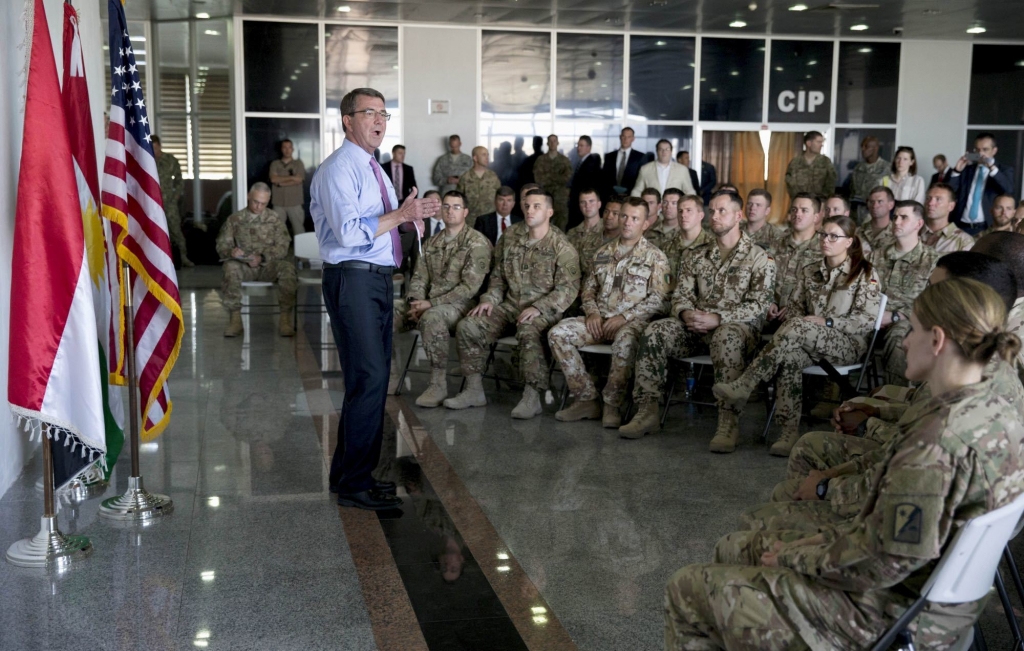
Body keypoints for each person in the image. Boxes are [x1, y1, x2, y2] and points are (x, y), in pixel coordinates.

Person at [666, 278, 1024, 651]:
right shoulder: (988, 401)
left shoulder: (937, 444)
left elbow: (885, 562)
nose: (902, 341)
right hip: (933, 596)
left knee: (686, 589)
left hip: (894, 612)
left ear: (937, 340)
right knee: (735, 549)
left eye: (912, 331)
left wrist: (796, 555)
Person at [310, 87, 440, 511]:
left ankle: (349, 475)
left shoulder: (375, 169)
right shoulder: (338, 170)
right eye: (370, 113)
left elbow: (387, 225)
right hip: (353, 279)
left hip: (378, 280)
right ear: (347, 120)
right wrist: (401, 215)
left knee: (371, 381)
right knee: (368, 380)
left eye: (384, 113)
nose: (380, 120)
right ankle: (355, 486)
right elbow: (349, 232)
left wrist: (413, 216)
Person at [618, 191, 776, 450]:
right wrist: (684, 313)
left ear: (739, 215)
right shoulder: (696, 254)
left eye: (722, 211)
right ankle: (647, 411)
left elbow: (759, 305)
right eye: (712, 211)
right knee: (656, 330)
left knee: (727, 337)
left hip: (736, 331)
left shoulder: (760, 256)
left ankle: (728, 422)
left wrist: (719, 318)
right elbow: (680, 295)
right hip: (695, 328)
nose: (714, 216)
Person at [714, 215, 882, 456]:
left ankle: (746, 384)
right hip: (806, 342)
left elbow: (866, 320)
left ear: (849, 242)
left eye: (834, 236)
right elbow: (794, 309)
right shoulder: (810, 270)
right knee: (790, 357)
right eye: (823, 234)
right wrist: (796, 319)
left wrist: (828, 321)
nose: (826, 240)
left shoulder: (864, 272)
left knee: (799, 328)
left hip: (846, 345)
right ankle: (788, 432)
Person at [444, 189, 580, 419]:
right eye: (527, 205)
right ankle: (474, 390)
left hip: (543, 310)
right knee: (469, 325)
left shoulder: (561, 246)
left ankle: (532, 395)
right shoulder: (511, 236)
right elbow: (498, 277)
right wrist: (490, 299)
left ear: (549, 211)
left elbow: (569, 289)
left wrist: (539, 307)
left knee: (530, 329)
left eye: (537, 206)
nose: (529, 210)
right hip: (509, 306)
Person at [549, 198, 670, 427]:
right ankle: (586, 399)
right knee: (558, 333)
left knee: (625, 342)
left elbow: (661, 299)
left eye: (635, 218)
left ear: (645, 224)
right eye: (624, 216)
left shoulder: (656, 257)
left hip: (631, 323)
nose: (627, 222)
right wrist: (592, 313)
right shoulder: (603, 252)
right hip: (599, 321)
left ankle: (612, 405)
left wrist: (625, 317)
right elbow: (588, 289)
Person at [389, 191, 492, 407]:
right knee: (385, 312)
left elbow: (469, 288)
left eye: (456, 207)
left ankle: (437, 384)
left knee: (432, 317)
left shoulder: (476, 242)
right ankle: (389, 376)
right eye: (446, 206)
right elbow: (418, 278)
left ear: (465, 212)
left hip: (461, 305)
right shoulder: (431, 243)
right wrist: (415, 301)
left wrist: (430, 304)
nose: (450, 211)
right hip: (427, 304)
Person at [869, 200, 940, 385]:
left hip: (907, 322)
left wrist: (895, 316)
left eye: (904, 217)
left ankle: (890, 399)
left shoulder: (932, 260)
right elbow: (861, 290)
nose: (897, 221)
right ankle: (832, 394)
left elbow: (933, 302)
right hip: (869, 317)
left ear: (919, 224)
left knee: (899, 337)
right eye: (895, 217)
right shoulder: (875, 255)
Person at [217, 183, 298, 338]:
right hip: (244, 267)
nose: (258, 206)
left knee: (287, 269)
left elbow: (283, 246)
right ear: (248, 196)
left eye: (263, 203)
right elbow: (222, 244)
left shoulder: (274, 219)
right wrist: (231, 251)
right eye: (255, 201)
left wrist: (263, 258)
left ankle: (285, 319)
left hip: (268, 266)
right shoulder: (235, 219)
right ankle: (235, 320)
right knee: (229, 267)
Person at [767, 193, 824, 329]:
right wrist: (768, 302)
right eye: (794, 210)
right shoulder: (776, 243)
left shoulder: (824, 247)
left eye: (804, 211)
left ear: (816, 217)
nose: (798, 214)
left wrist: (794, 308)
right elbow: (763, 276)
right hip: (769, 313)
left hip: (803, 318)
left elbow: (824, 289)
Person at [951, 132, 1016, 235]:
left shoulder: (1003, 170)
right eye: (977, 150)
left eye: (985, 150)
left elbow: (1008, 190)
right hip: (961, 227)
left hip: (987, 227)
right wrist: (956, 171)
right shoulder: (967, 170)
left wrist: (992, 168)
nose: (980, 154)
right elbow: (950, 193)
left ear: (994, 151)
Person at [152, 134, 193, 267]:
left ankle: (183, 256)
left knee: (175, 229)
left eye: (156, 148)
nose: (155, 152)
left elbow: (179, 180)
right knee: (154, 230)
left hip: (169, 202)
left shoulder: (170, 160)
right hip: (153, 203)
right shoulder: (147, 160)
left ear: (160, 146)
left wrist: (176, 196)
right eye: (152, 149)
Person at [662, 194, 713, 294]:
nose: (683, 215)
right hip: (668, 304)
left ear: (700, 215)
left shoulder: (712, 245)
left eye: (688, 210)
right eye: (680, 211)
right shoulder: (666, 247)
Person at [532, 134, 573, 231]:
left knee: (560, 229)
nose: (552, 143)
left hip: (561, 200)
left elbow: (567, 178)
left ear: (558, 143)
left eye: (554, 141)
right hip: (544, 199)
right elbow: (538, 179)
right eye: (550, 141)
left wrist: (548, 176)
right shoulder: (541, 160)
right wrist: (557, 177)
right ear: (547, 143)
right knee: (543, 228)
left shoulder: (564, 160)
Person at [576, 196, 623, 279]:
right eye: (606, 212)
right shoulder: (587, 240)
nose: (609, 217)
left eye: (615, 213)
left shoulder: (626, 244)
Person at [632, 139, 696, 197]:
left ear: (671, 152)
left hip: (674, 208)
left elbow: (689, 191)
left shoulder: (682, 170)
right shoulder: (645, 169)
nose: (664, 152)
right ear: (657, 151)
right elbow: (637, 191)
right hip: (652, 208)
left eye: (667, 149)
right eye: (661, 149)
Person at [922, 183, 975, 253]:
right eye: (928, 198)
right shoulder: (913, 232)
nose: (930, 203)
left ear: (951, 206)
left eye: (938, 199)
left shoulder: (963, 241)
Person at [269, 138, 307, 235]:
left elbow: (299, 179)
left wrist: (281, 183)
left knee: (299, 231)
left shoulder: (298, 163)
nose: (287, 150)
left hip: (295, 202)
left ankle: (300, 251)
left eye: (289, 147)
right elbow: (273, 179)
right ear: (281, 149)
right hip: (278, 203)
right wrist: (292, 178)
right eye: (284, 147)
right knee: (277, 232)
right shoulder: (275, 164)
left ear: (293, 149)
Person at [785, 131, 837, 199]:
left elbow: (831, 182)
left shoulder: (825, 162)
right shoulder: (795, 162)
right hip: (800, 202)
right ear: (809, 143)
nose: (821, 145)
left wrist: (824, 199)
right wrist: (798, 198)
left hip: (820, 203)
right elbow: (790, 183)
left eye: (822, 142)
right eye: (818, 142)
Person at [850, 136, 890, 222]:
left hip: (874, 214)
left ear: (875, 148)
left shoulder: (885, 168)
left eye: (866, 146)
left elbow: (887, 191)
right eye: (862, 146)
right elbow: (852, 191)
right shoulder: (858, 168)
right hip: (856, 214)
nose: (863, 149)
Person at [456, 146, 502, 222]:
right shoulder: (465, 177)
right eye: (484, 155)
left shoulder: (493, 176)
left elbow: (499, 197)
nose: (487, 157)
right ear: (475, 158)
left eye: (488, 155)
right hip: (471, 221)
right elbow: (458, 200)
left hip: (489, 220)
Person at [568, 136, 603, 230]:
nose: (578, 148)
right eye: (578, 145)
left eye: (581, 145)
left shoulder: (591, 162)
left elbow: (586, 185)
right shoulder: (582, 161)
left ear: (588, 147)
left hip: (582, 203)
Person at [603, 127, 645, 197]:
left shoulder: (640, 157)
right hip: (611, 196)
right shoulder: (609, 156)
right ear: (620, 137)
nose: (626, 139)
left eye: (629, 137)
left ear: (633, 139)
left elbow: (640, 179)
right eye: (623, 136)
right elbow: (605, 178)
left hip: (630, 196)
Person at [741, 188, 784, 253]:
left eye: (758, 205)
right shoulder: (734, 230)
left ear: (767, 211)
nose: (752, 208)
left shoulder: (776, 236)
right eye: (749, 204)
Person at [565, 188, 603, 253]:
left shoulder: (609, 230)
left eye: (591, 201)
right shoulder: (572, 233)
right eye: (583, 202)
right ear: (580, 206)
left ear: (599, 204)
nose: (587, 206)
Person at [860, 186, 896, 253]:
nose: (875, 206)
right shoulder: (858, 232)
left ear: (891, 205)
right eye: (871, 202)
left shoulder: (897, 234)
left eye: (880, 202)